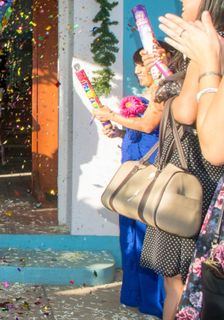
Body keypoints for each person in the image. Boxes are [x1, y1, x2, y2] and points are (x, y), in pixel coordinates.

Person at [137, 0, 224, 320]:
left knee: (182, 285)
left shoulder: (213, 48)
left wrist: (198, 64)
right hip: (187, 174)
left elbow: (187, 112)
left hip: (192, 179)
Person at [95, 47, 167, 318]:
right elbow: (141, 129)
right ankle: (133, 295)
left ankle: (153, 302)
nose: (137, 70)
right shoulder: (149, 94)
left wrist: (111, 115)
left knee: (148, 236)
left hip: (150, 174)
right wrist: (119, 130)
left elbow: (149, 127)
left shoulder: (164, 93)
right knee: (131, 237)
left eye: (142, 65)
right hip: (132, 171)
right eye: (136, 65)